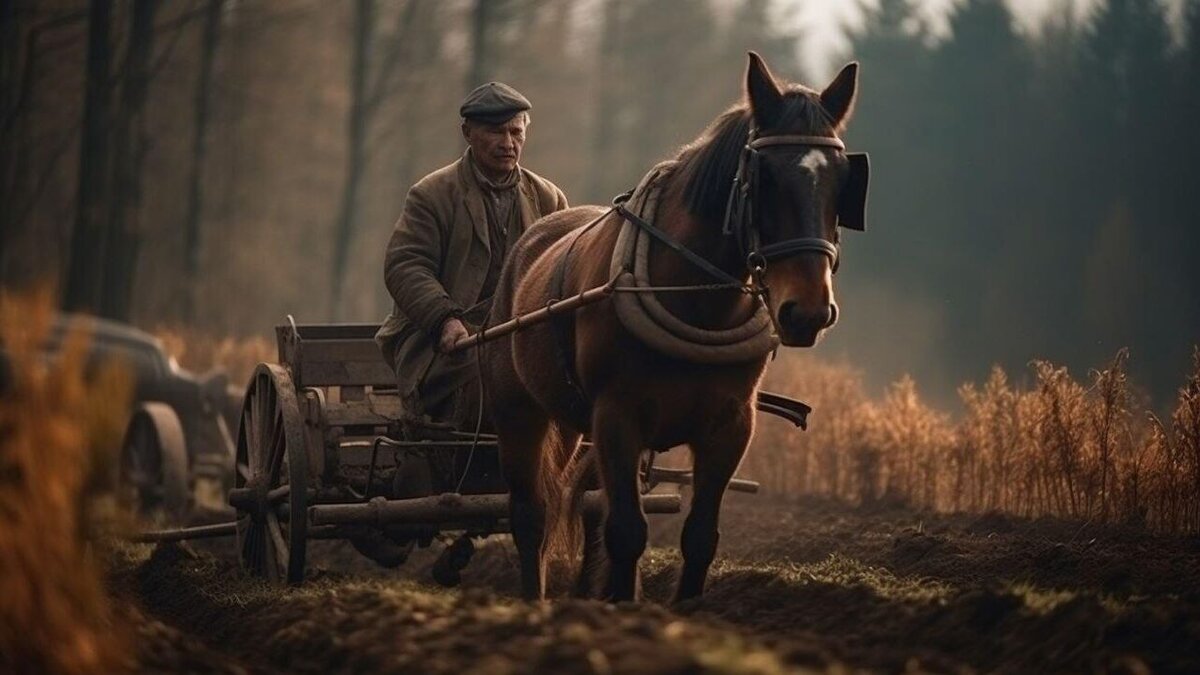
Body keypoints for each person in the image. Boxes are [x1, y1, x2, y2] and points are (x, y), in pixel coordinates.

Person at [376, 82, 568, 429]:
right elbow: (405, 265)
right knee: (492, 379)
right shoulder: (431, 195)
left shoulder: (549, 199)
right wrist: (445, 319)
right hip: (440, 346)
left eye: (516, 132)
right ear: (468, 133)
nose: (508, 144)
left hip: (524, 341)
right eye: (495, 132)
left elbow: (564, 272)